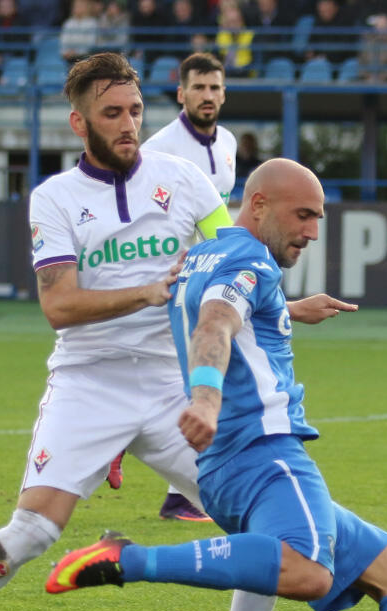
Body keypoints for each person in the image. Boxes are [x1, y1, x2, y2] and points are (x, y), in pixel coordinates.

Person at [0, 53, 351, 611]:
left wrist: (287, 307)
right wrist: (148, 292)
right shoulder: (54, 198)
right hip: (88, 382)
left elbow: (232, 264)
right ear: (80, 123)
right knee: (32, 530)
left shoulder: (182, 181)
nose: (128, 125)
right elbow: (59, 306)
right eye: (112, 114)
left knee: (262, 522)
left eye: (134, 111)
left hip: (171, 383)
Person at [45, 158, 387, 611]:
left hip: (231, 462)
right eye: (303, 215)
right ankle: (128, 560)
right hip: (263, 453)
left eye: (318, 217)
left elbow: (220, 311)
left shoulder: (203, 255)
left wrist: (286, 310)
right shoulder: (250, 260)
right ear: (259, 205)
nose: (313, 231)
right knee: (308, 571)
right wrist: (206, 400)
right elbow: (216, 322)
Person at [137, 52, 236, 522]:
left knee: (202, 380)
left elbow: (218, 217)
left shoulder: (228, 142)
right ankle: (181, 493)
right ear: (181, 93)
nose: (207, 95)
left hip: (210, 279)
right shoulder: (159, 149)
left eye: (214, 87)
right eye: (198, 87)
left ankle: (179, 490)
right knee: (187, 383)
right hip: (169, 286)